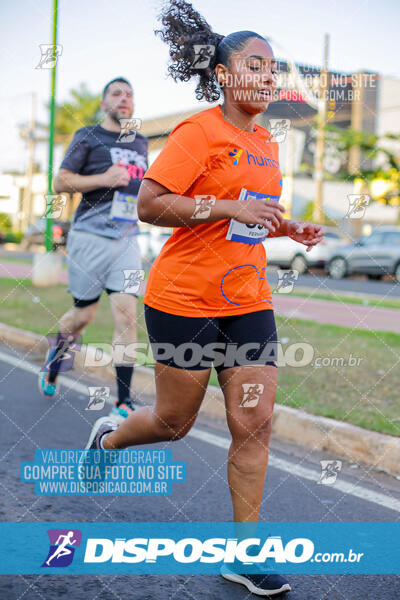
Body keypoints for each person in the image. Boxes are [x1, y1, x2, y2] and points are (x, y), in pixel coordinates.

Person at [84, 1, 324, 595]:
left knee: (255, 421)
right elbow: (151, 204)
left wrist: (284, 227)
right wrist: (228, 207)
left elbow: (249, 214)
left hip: (248, 298)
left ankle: (245, 553)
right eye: (256, 66)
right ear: (223, 74)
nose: (269, 78)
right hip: (184, 299)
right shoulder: (198, 131)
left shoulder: (268, 141)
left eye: (274, 70)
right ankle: (110, 437)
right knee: (173, 423)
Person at [39, 77, 148, 422]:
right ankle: (56, 358)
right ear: (103, 104)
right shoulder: (88, 136)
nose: (124, 99)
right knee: (83, 316)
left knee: (127, 314)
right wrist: (102, 179)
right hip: (89, 237)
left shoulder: (141, 142)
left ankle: (123, 401)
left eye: (129, 94)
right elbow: (60, 182)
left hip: (127, 239)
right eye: (116, 93)